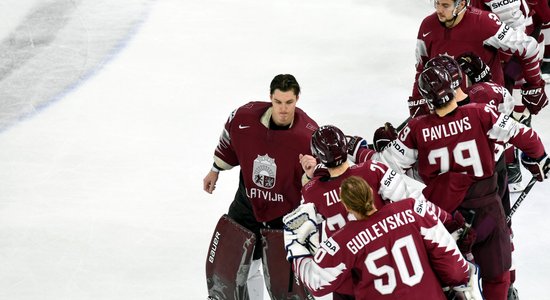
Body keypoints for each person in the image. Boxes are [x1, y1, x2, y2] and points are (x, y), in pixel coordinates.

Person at [380, 65, 549, 299]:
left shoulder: (415, 128)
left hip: (442, 217)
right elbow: (525, 135)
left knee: (448, 280)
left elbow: (383, 168)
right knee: (497, 274)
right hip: (486, 211)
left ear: (428, 100)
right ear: (454, 86)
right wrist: (538, 158)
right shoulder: (481, 113)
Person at [298, 125, 471, 299]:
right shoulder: (372, 170)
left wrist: (312, 177)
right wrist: (449, 221)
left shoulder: (312, 193)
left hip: (348, 277)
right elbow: (416, 202)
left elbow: (307, 238)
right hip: (396, 256)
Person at [203, 74, 319, 299]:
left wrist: (310, 174)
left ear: (297, 100)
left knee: (280, 279)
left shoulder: (308, 135)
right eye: (278, 102)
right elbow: (229, 137)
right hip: (247, 205)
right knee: (241, 270)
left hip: (284, 215)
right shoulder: (244, 118)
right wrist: (215, 169)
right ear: (270, 98)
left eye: (289, 102)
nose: (283, 109)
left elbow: (317, 181)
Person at [282, 176, 484, 300]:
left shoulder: (342, 240)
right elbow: (452, 262)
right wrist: (457, 283)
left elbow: (317, 283)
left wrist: (296, 247)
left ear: (346, 206)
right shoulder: (410, 208)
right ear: (371, 192)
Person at [408, 0, 547, 119]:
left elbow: (527, 46)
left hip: (486, 110)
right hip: (446, 110)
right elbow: (422, 67)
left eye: (445, 5)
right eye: (437, 3)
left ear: (461, 4)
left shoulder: (484, 23)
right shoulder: (427, 25)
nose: (438, 10)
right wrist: (417, 100)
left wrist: (534, 85)